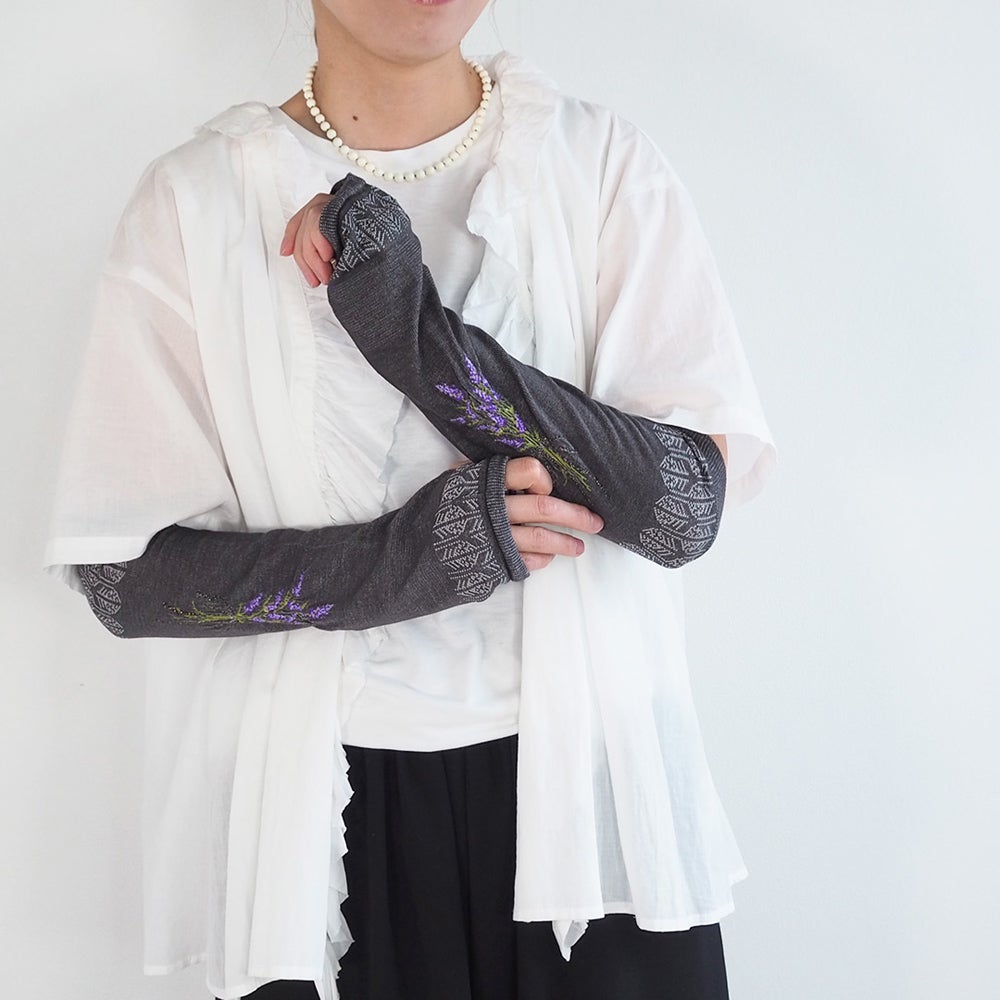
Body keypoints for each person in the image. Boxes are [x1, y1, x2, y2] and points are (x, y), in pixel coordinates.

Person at [44, 1, 775, 998]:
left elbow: (684, 509)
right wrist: (414, 560)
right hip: (324, 827)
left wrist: (413, 336)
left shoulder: (598, 165)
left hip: (599, 804)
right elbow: (123, 578)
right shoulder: (200, 200)